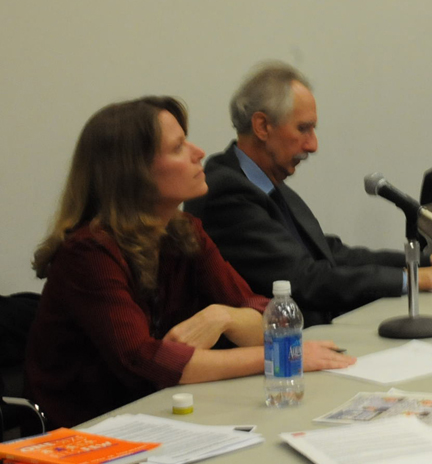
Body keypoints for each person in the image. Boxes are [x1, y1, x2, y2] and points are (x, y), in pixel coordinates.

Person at [25, 96, 355, 428]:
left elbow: (263, 316)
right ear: (135, 173)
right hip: (83, 436)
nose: (198, 153)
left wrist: (224, 316)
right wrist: (279, 357)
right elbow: (147, 360)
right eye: (178, 147)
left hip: (161, 417)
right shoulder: (90, 254)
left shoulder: (183, 232)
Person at [184, 62, 432, 327]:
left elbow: (331, 254)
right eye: (303, 129)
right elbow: (303, 279)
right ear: (262, 126)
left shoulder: (263, 181)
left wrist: (428, 263)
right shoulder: (225, 191)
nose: (313, 145)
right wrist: (424, 280)